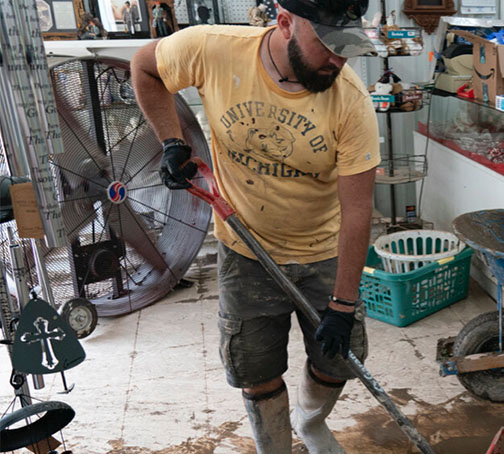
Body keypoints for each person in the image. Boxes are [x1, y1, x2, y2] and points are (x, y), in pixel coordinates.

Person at [130, 0, 380, 452]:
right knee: (256, 369)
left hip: (324, 248)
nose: (339, 60)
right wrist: (172, 141)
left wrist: (343, 304)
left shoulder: (351, 101)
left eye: (347, 48)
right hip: (246, 249)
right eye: (328, 45)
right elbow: (145, 69)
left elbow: (358, 209)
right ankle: (275, 447)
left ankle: (311, 422)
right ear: (285, 23)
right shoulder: (213, 49)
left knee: (337, 362)